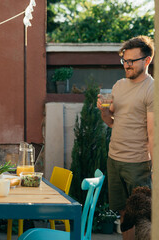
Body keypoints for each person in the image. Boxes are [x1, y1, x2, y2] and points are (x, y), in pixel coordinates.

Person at [97, 35, 154, 240]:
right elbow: (112, 121)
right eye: (124, 60)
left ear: (147, 60)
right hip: (115, 159)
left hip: (138, 163)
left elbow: (152, 133)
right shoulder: (119, 85)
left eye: (131, 61)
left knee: (142, 217)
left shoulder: (152, 89)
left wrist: (154, 169)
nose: (126, 65)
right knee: (123, 213)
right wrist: (103, 111)